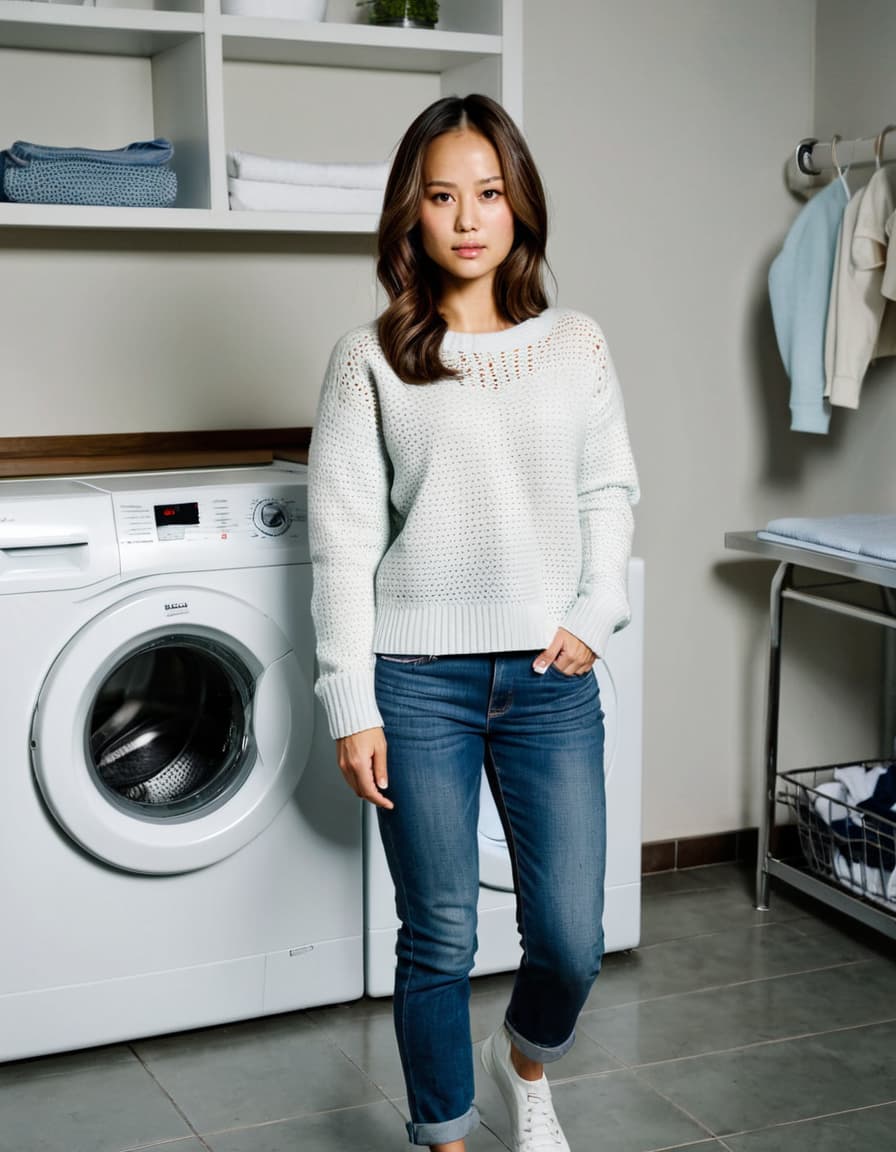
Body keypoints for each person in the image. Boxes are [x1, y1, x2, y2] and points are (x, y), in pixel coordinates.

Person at [308, 93, 639, 1152]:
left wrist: (596, 609)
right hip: (414, 683)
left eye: (488, 194)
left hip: (550, 676)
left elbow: (607, 493)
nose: (466, 219)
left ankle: (521, 1063)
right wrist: (351, 701)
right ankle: (446, 1140)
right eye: (441, 196)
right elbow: (342, 542)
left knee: (571, 939)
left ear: (518, 205)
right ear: (410, 213)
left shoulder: (576, 345)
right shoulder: (368, 359)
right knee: (440, 935)